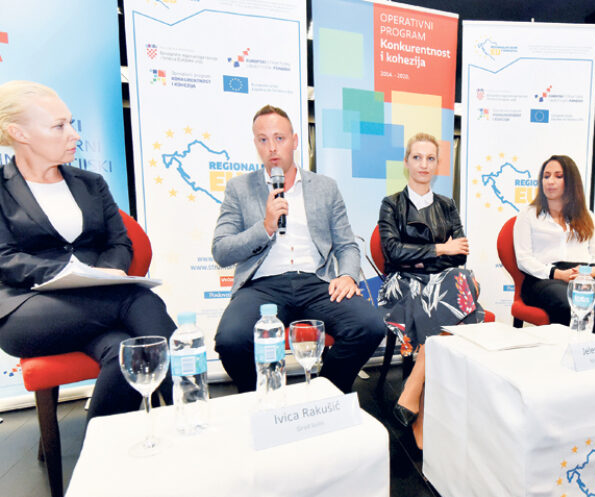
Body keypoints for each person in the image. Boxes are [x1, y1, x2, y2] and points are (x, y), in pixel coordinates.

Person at [0, 81, 175, 419]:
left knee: (126, 352)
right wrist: (72, 274)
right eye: (59, 126)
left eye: (71, 123)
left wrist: (100, 275)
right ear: (19, 133)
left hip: (96, 304)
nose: (74, 134)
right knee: (139, 299)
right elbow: (5, 259)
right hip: (26, 309)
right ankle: (191, 409)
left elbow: (119, 242)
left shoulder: (91, 183)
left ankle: (99, 446)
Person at [212, 105, 384, 394]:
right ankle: (261, 399)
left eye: (279, 138)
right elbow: (221, 250)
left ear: (294, 141)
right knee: (231, 340)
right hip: (261, 287)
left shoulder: (325, 187)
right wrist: (265, 227)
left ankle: (325, 393)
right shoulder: (239, 189)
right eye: (263, 139)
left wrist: (347, 276)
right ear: (255, 144)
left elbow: (346, 245)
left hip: (316, 282)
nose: (272, 147)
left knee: (370, 326)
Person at [377, 132, 484, 449]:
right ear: (407, 162)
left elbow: (460, 255)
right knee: (460, 296)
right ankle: (422, 408)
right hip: (403, 284)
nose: (424, 164)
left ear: (437, 165)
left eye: (430, 158)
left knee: (460, 279)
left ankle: (414, 386)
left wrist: (422, 256)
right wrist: (440, 248)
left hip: (441, 281)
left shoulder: (447, 205)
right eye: (417, 157)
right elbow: (392, 252)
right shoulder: (391, 204)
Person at [513, 154, 595, 337]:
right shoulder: (528, 214)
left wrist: (591, 272)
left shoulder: (586, 215)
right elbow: (524, 259)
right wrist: (558, 273)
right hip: (545, 278)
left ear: (571, 182)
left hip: (585, 274)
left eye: (558, 176)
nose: (550, 181)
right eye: (546, 176)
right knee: (569, 302)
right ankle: (571, 352)